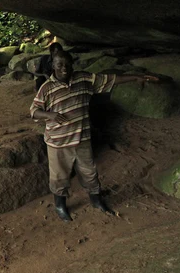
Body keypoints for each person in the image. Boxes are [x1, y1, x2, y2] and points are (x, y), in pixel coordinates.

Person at [30, 51, 158, 222]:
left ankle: (96, 200)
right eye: (59, 64)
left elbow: (109, 79)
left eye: (67, 64)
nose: (64, 68)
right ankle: (60, 205)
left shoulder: (83, 79)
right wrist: (49, 115)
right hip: (58, 142)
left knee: (89, 172)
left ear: (72, 64)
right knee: (59, 176)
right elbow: (34, 111)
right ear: (53, 65)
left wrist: (136, 77)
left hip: (82, 138)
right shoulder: (46, 88)